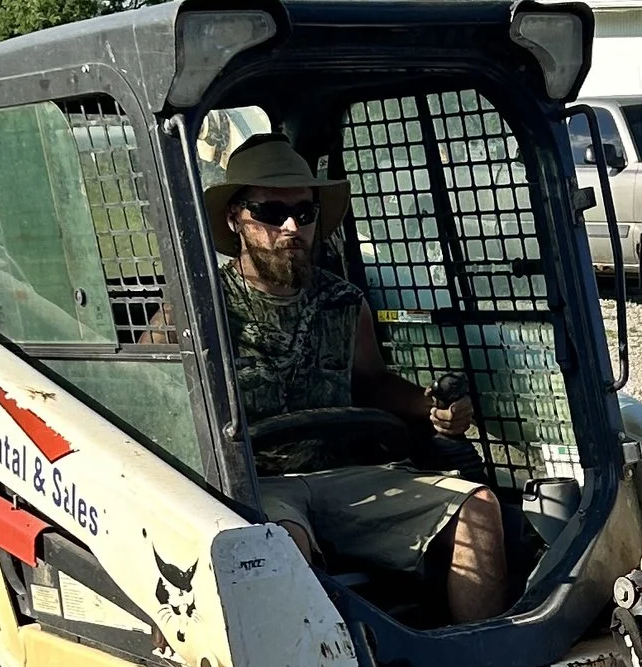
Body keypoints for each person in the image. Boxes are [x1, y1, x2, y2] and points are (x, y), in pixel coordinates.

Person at [204, 132, 512, 623]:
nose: (290, 227)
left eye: (304, 213)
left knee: (478, 508)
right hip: (256, 486)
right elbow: (158, 398)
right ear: (235, 218)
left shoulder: (344, 303)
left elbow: (371, 381)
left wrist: (427, 406)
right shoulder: (202, 307)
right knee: (281, 545)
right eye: (270, 212)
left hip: (346, 477)